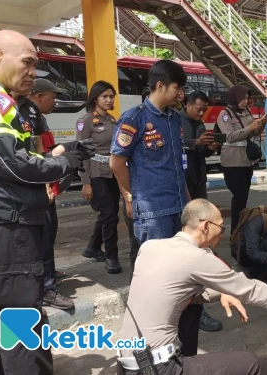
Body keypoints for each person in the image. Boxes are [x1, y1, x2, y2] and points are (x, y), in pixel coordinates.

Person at [0, 30, 93, 375]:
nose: (32, 72)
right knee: (22, 329)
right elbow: (15, 164)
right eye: (27, 62)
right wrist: (66, 163)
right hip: (7, 231)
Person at [116, 199, 267, 375]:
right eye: (221, 227)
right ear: (205, 225)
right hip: (158, 368)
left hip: (126, 363)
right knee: (248, 363)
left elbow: (177, 290)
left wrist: (220, 292)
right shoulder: (197, 258)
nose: (223, 233)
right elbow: (251, 290)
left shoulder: (149, 247)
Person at [110, 59, 202, 357]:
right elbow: (116, 162)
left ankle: (180, 331)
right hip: (153, 212)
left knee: (184, 272)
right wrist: (129, 194)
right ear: (160, 85)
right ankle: (149, 344)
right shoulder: (134, 118)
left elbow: (177, 167)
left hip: (178, 208)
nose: (181, 94)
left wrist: (188, 204)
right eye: (178, 88)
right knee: (155, 280)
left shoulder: (174, 120)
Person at [28, 78, 76, 309]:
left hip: (47, 186)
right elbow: (37, 158)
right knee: (43, 236)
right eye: (52, 97)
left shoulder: (39, 119)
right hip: (38, 189)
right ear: (39, 97)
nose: (55, 101)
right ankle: (47, 288)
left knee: (49, 234)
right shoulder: (25, 119)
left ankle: (48, 273)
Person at [180, 90, 224, 332]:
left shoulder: (199, 124)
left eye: (203, 110)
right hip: (182, 186)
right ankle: (195, 307)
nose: (200, 113)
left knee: (203, 237)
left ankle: (199, 298)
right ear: (187, 104)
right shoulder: (176, 121)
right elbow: (174, 147)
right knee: (189, 240)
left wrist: (210, 147)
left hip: (198, 182)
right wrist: (193, 144)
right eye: (197, 108)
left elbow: (201, 151)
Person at [77, 81, 122, 274]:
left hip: (112, 172)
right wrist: (85, 182)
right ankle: (111, 257)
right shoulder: (86, 121)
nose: (109, 100)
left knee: (108, 214)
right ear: (95, 98)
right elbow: (81, 152)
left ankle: (92, 247)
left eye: (111, 96)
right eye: (105, 96)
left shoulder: (112, 120)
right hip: (96, 173)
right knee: (110, 216)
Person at [216, 85, 267, 232]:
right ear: (235, 98)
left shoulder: (246, 112)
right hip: (232, 162)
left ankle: (241, 226)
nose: (246, 101)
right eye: (243, 99)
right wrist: (250, 128)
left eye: (247, 98)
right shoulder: (224, 115)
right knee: (239, 196)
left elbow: (252, 134)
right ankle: (235, 229)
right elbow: (230, 136)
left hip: (246, 161)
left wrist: (261, 125)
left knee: (243, 196)